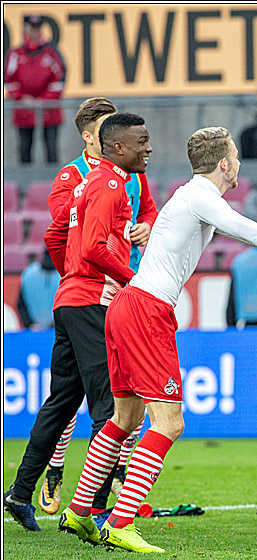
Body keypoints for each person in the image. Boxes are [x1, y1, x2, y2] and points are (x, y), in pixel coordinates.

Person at [57, 127, 257, 552]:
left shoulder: (188, 194)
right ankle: (120, 521)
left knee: (125, 419)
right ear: (225, 163)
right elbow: (246, 231)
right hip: (147, 308)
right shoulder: (200, 196)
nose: (240, 165)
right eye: (235, 157)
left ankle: (79, 512)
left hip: (128, 303)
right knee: (170, 423)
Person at [2, 113, 153, 533]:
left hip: (71, 301)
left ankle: (19, 492)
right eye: (142, 141)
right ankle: (95, 508)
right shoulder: (108, 184)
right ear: (116, 146)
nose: (149, 148)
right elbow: (93, 247)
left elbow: (56, 236)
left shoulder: (91, 184)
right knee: (111, 405)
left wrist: (68, 275)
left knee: (62, 402)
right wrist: (130, 278)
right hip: (92, 304)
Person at [3, 14, 66, 164]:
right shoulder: (15, 54)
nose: (35, 32)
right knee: (24, 149)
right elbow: (8, 79)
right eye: (32, 28)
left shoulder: (51, 52)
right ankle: (27, 185)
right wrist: (22, 98)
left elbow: (60, 78)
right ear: (25, 29)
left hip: (48, 110)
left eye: (38, 29)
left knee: (51, 149)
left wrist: (44, 100)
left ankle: (54, 184)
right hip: (24, 110)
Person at [17, 249, 60, 329]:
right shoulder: (65, 274)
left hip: (37, 329)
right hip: (38, 330)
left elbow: (20, 305)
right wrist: (29, 325)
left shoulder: (28, 274)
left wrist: (29, 324)